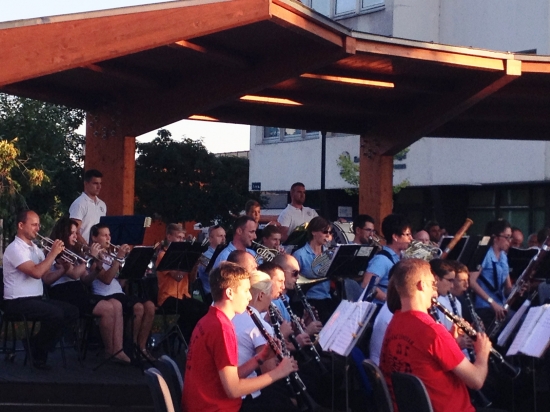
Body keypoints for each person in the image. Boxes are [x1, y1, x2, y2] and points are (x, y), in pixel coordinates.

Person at [181, 262, 298, 412]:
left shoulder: (209, 320)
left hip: (205, 404)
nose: (249, 297)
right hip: (216, 407)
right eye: (246, 291)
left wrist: (260, 358)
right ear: (230, 293)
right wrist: (279, 372)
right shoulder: (221, 328)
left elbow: (230, 376)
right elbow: (233, 389)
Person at [379, 259, 492, 412]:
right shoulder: (432, 331)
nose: (435, 292)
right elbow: (476, 380)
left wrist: (451, 342)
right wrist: (482, 352)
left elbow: (423, 360)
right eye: (433, 284)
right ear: (421, 285)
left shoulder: (394, 323)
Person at [43, 216, 130, 363]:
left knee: (116, 304)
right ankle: (109, 351)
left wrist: (97, 269)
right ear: (63, 233)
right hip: (64, 293)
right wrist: (90, 258)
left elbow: (85, 279)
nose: (76, 236)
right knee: (107, 308)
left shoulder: (75, 252)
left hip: (78, 290)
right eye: (72, 233)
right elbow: (74, 274)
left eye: (76, 233)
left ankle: (118, 350)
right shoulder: (56, 252)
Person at [2, 210, 79, 369]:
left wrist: (63, 270)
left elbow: (47, 278)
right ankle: (38, 351)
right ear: (21, 225)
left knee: (72, 311)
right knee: (55, 314)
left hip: (35, 300)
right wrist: (53, 254)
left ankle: (36, 345)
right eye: (34, 225)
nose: (38, 228)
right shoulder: (15, 249)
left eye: (38, 225)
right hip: (16, 302)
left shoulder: (36, 250)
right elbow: (36, 273)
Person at [232, 270, 300, 412]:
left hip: (238, 386)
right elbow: (268, 372)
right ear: (261, 295)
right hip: (246, 395)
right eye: (269, 295)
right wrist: (285, 366)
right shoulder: (258, 325)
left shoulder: (234, 315)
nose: (271, 301)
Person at [89, 223, 156, 361]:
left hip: (119, 293)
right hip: (105, 295)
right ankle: (131, 346)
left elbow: (120, 283)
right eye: (104, 235)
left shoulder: (111, 255)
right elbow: (106, 279)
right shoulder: (94, 257)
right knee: (138, 308)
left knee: (150, 306)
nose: (109, 238)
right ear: (94, 238)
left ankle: (142, 346)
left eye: (109, 235)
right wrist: (118, 258)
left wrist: (130, 266)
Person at [156, 223, 208, 342]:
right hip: (167, 298)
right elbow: (177, 277)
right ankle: (187, 341)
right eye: (178, 237)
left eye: (183, 238)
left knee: (204, 309)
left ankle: (193, 341)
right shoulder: (163, 255)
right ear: (169, 237)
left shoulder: (183, 256)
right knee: (191, 311)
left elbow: (192, 280)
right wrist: (189, 261)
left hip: (184, 295)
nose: (182, 240)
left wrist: (194, 265)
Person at [470, 220, 513, 328]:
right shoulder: (484, 254)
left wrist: (517, 290)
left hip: (501, 306)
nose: (509, 241)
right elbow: (471, 281)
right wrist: (492, 303)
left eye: (510, 237)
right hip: (485, 306)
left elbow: (508, 287)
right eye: (507, 237)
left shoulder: (503, 256)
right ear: (495, 237)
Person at [361, 214, 412, 305]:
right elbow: (367, 284)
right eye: (407, 234)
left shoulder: (402, 257)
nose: (411, 238)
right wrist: (388, 300)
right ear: (395, 237)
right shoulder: (381, 260)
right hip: (382, 308)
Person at [292, 216, 333, 323]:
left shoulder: (330, 253)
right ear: (313, 232)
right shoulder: (300, 254)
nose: (328, 235)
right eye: (325, 232)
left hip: (327, 297)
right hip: (309, 299)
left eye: (329, 232)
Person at [69, 169, 106, 245]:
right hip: (82, 249)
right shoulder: (79, 203)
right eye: (95, 183)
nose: (99, 187)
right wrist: (87, 248)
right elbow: (74, 231)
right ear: (86, 184)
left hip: (98, 248)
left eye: (100, 183)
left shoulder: (102, 204)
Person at [196, 224, 226, 300]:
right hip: (212, 295)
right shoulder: (205, 255)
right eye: (220, 236)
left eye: (224, 236)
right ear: (210, 239)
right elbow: (215, 275)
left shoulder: (225, 252)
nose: (223, 239)